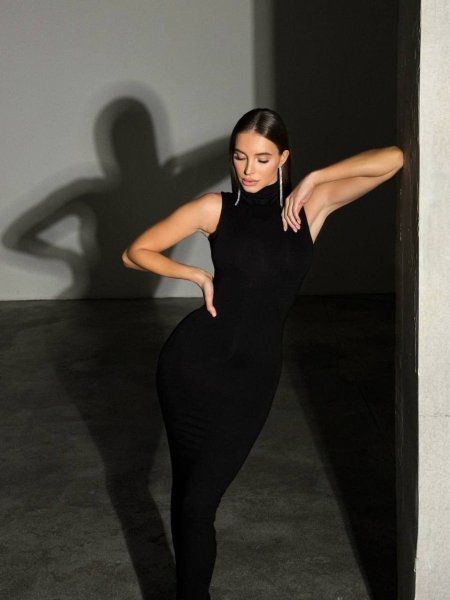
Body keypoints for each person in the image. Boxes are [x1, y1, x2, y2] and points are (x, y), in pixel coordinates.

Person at [122, 108, 404, 599]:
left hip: (251, 378)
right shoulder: (214, 209)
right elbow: (135, 252)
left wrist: (316, 177)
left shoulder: (310, 206)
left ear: (283, 159)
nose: (248, 169)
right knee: (191, 501)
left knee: (197, 502)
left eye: (262, 158)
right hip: (191, 367)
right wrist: (195, 275)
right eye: (239, 157)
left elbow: (394, 159)